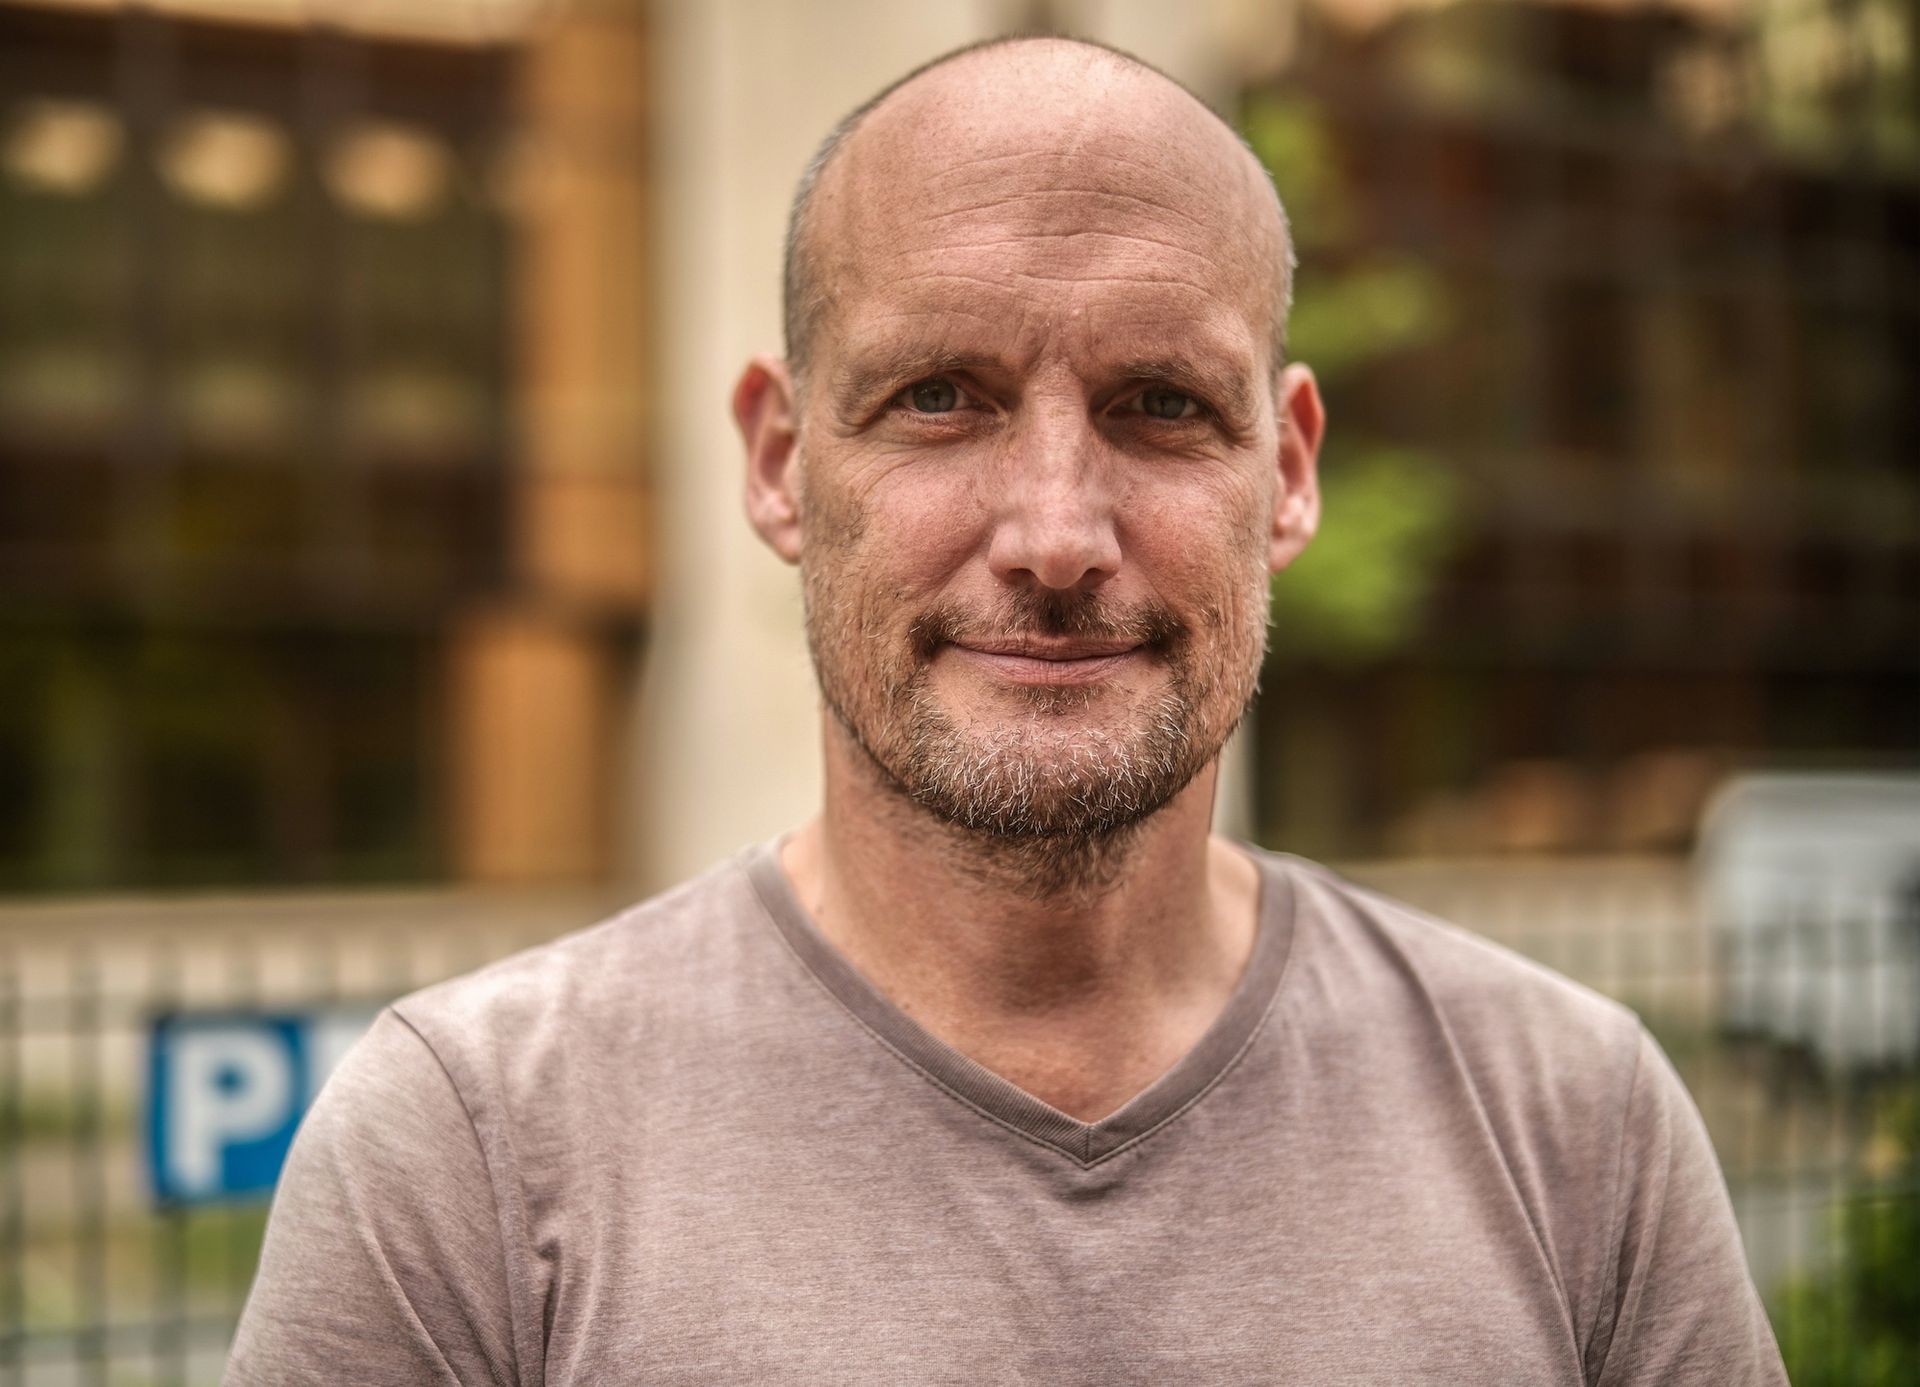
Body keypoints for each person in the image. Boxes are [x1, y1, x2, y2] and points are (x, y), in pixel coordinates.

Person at [227, 36, 1786, 1386]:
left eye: (1162, 405)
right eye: (938, 399)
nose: (1054, 534)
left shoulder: (1572, 1122)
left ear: (1290, 472)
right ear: (779, 462)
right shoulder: (470, 1151)